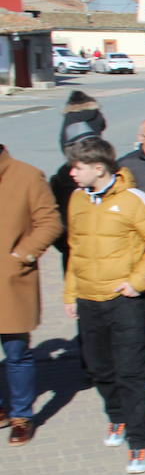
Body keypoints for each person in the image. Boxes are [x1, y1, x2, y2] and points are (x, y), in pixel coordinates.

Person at [63, 137, 145, 473]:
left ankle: (139, 441)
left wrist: (136, 282)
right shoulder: (76, 199)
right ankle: (116, 417)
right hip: (88, 297)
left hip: (124, 300)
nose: (72, 172)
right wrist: (69, 293)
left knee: (130, 371)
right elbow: (75, 248)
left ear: (99, 168)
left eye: (78, 167)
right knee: (97, 367)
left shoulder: (134, 200)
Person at [0, 143, 63, 446]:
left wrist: (22, 255)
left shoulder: (26, 176)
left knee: (16, 353)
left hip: (10, 280)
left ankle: (21, 415)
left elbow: (50, 222)